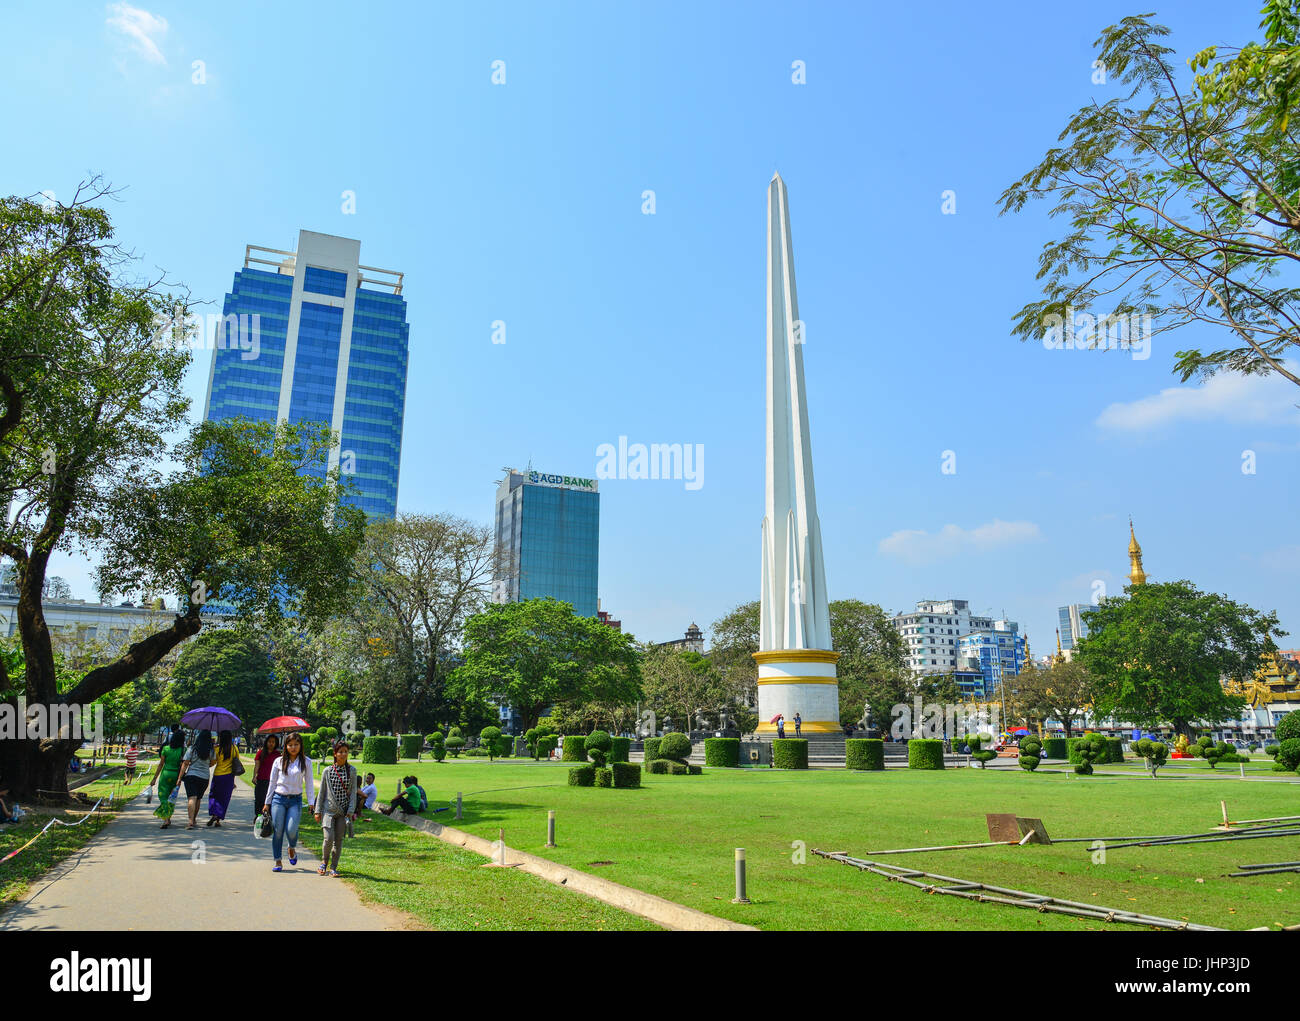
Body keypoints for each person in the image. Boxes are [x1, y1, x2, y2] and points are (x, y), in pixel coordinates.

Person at [264, 732, 314, 872]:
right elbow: (272, 783)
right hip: (278, 799)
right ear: (285, 746)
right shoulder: (278, 762)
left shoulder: (306, 762)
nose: (293, 747)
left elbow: (309, 784)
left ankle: (291, 847)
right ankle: (278, 861)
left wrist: (311, 802)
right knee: (278, 830)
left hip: (295, 801)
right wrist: (267, 803)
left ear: (300, 746)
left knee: (291, 829)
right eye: (290, 744)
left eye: (296, 745)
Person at [314, 740, 358, 877]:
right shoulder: (328, 771)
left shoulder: (352, 771)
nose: (343, 754)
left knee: (338, 840)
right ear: (335, 754)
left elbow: (353, 793)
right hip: (328, 811)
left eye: (345, 751)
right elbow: (321, 792)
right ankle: (324, 862)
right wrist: (317, 810)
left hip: (343, 813)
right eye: (340, 752)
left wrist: (350, 811)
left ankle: (333, 867)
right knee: (328, 838)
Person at [176, 730, 213, 830]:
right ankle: (194, 819)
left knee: (192, 798)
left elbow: (185, 763)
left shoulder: (192, 749)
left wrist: (179, 778)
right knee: (198, 799)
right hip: (204, 777)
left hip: (191, 776)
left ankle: (190, 821)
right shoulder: (211, 750)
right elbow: (212, 763)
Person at [150, 729, 187, 829]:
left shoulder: (165, 749)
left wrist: (154, 778)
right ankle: (168, 817)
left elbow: (161, 764)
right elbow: (183, 765)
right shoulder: (183, 750)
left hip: (165, 774)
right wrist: (179, 778)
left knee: (163, 796)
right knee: (171, 798)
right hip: (176, 776)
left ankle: (166, 819)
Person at [206, 729, 241, 828]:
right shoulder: (234, 749)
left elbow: (213, 762)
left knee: (214, 796)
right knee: (224, 798)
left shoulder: (217, 749)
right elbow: (236, 764)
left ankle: (214, 813)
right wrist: (233, 781)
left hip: (217, 775)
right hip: (228, 777)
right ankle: (218, 819)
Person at [252, 734, 280, 820]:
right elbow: (257, 765)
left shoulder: (278, 754)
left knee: (270, 799)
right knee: (259, 799)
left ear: (276, 743)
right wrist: (254, 776)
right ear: (266, 742)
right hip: (261, 779)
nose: (271, 744)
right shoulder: (260, 753)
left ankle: (268, 817)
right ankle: (258, 816)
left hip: (272, 781)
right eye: (269, 742)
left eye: (273, 742)